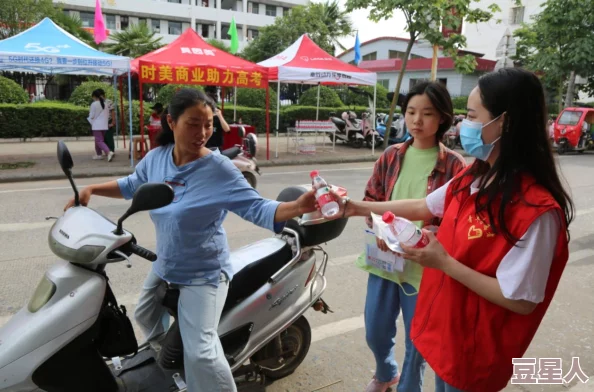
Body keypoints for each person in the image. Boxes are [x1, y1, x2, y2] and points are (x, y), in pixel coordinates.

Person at [64, 88, 317, 392]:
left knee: (202, 352)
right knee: (144, 312)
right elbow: (132, 184)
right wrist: (91, 189)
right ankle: (168, 360)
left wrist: (299, 207)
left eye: (208, 124)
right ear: (171, 122)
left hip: (204, 272)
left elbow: (256, 206)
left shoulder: (219, 169)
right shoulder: (157, 159)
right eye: (193, 124)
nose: (203, 133)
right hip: (167, 262)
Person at [337, 68, 574, 392]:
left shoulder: (537, 211)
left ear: (503, 122)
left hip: (477, 350)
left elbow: (521, 301)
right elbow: (424, 206)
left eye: (473, 116)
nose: (465, 126)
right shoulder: (475, 177)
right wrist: (355, 207)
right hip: (450, 334)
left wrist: (444, 261)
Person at [358, 81, 467, 392]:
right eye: (411, 112)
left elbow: (456, 221)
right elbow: (372, 199)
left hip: (424, 269)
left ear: (443, 118)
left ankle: (408, 387)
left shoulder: (454, 165)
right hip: (384, 260)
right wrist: (379, 228)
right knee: (375, 331)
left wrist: (429, 235)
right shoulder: (391, 155)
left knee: (417, 341)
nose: (417, 120)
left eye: (427, 113)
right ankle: (385, 372)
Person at [88, 89, 114, 162]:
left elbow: (92, 115)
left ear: (94, 96)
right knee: (98, 140)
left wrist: (89, 119)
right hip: (104, 125)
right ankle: (99, 154)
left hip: (97, 126)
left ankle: (108, 152)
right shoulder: (105, 104)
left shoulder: (94, 104)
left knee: (99, 141)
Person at [97, 89, 116, 156]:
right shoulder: (97, 102)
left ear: (102, 95)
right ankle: (107, 151)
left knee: (109, 137)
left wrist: (113, 121)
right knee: (103, 137)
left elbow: (112, 111)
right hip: (101, 121)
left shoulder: (109, 102)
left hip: (108, 120)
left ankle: (111, 151)